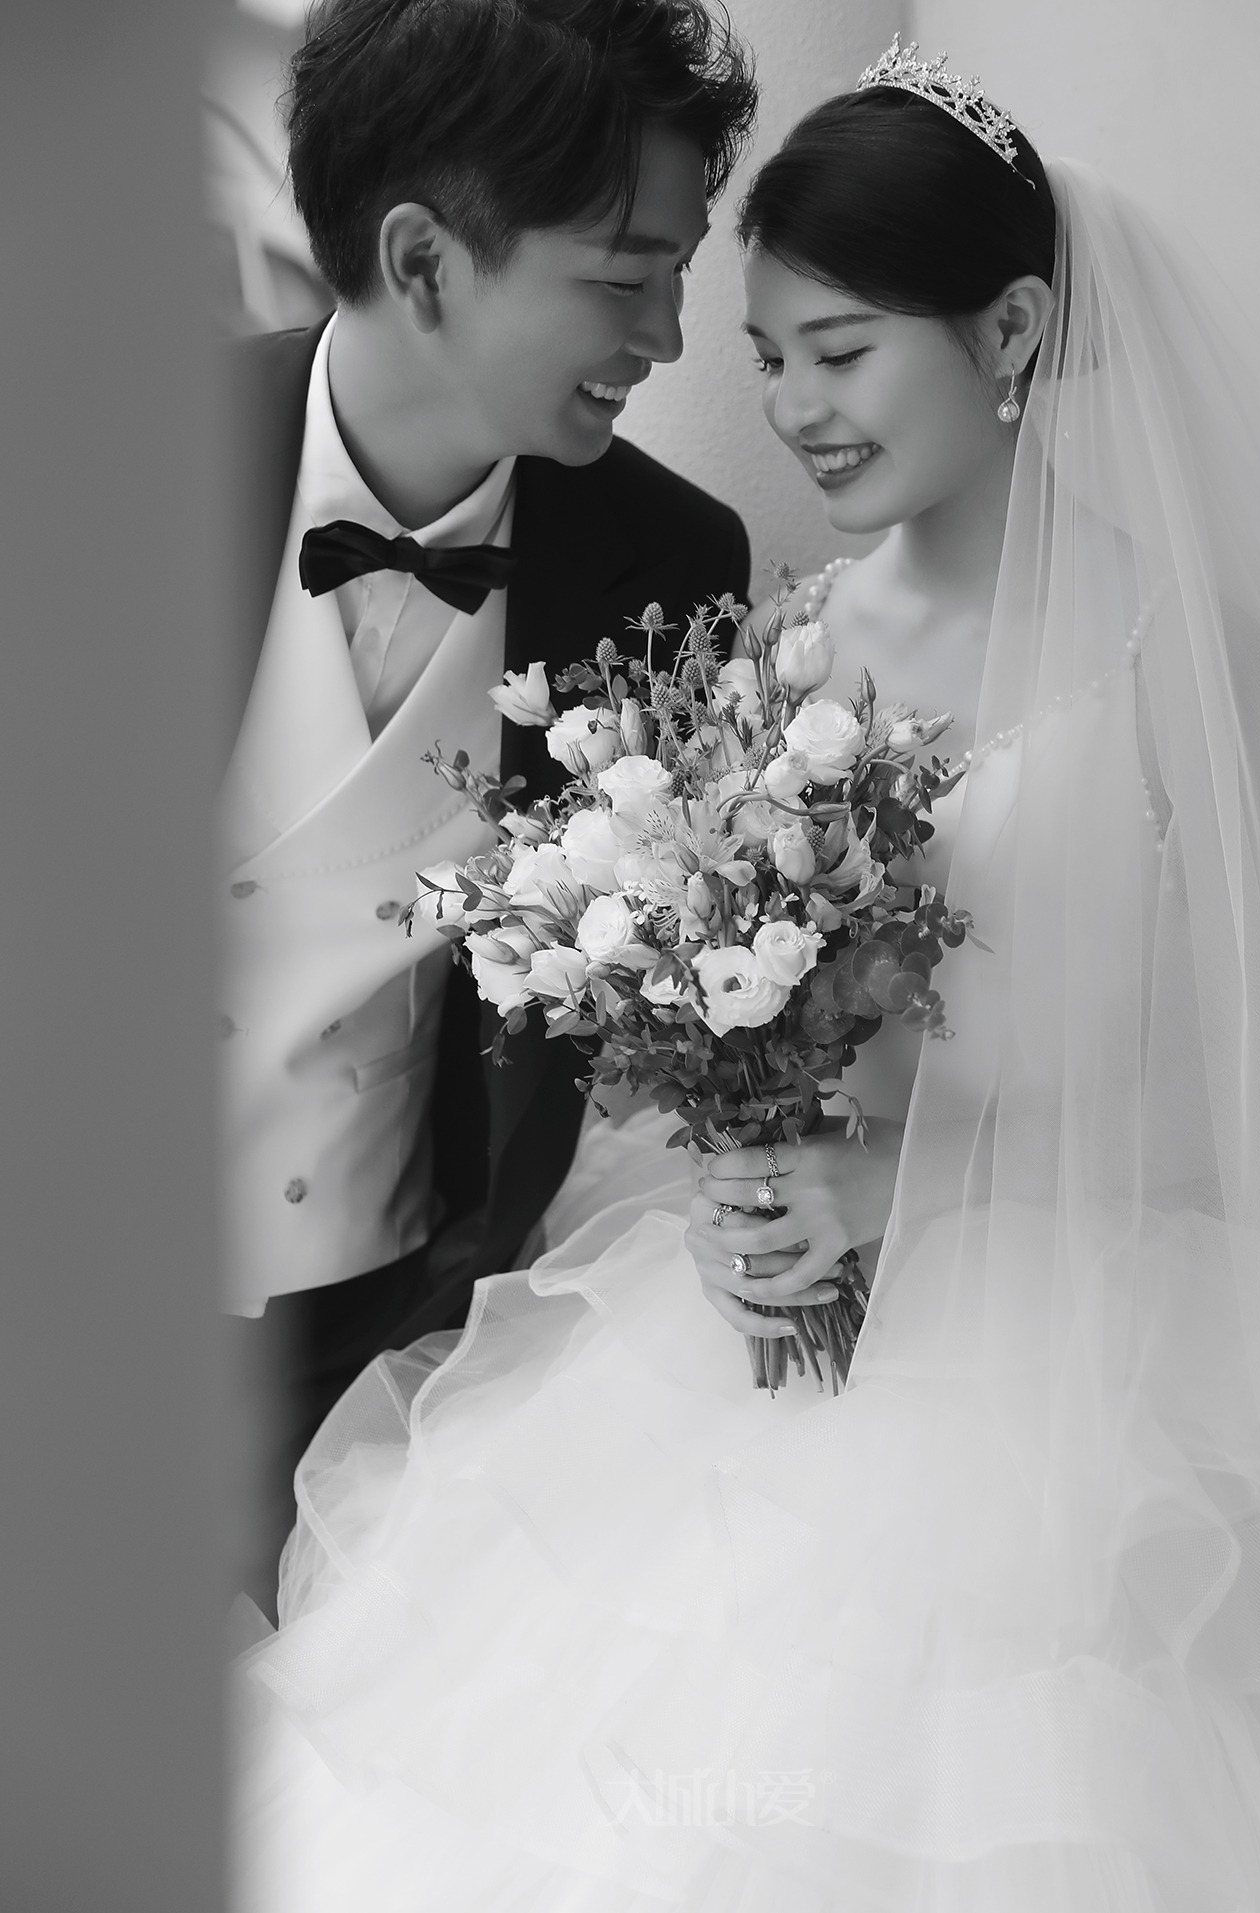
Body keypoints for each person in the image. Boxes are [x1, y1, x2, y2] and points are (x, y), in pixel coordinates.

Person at [232, 41, 1260, 1909]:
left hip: (1091, 1390)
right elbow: (708, 1021)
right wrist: (730, 1167)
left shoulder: (1192, 668)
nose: (789, 407)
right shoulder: (770, 640)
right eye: (768, 353)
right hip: (736, 1354)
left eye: (841, 351)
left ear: (1013, 332)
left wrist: (905, 1182)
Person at [218, 0, 757, 1621]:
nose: (670, 337)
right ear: (425, 260)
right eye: (624, 276)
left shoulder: (674, 568)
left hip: (399, 1368)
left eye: (680, 273)